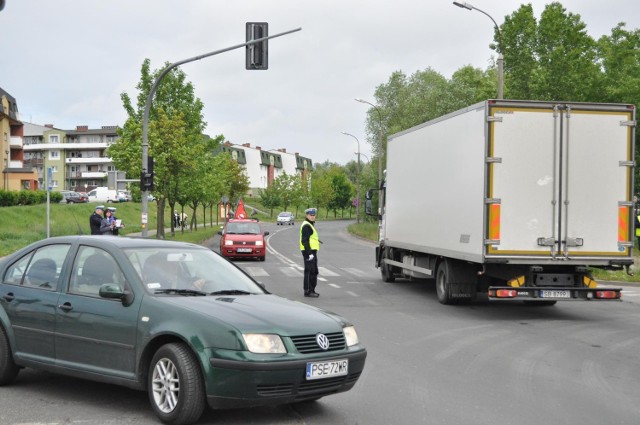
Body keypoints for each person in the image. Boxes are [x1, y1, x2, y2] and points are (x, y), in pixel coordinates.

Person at [299, 207, 320, 297]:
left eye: (313, 215)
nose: (312, 216)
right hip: (309, 251)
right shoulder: (306, 225)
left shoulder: (309, 224)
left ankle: (312, 290)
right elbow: (304, 240)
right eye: (310, 215)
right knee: (309, 271)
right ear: (307, 215)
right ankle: (307, 291)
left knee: (314, 271)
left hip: (312, 251)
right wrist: (309, 253)